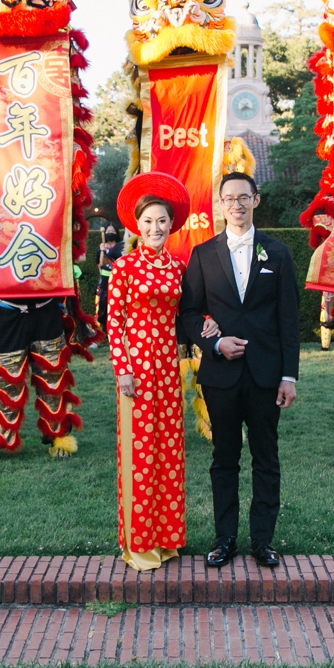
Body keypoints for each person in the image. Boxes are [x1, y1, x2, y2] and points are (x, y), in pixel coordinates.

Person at [179, 172, 299, 569]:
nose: (236, 204)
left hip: (267, 375)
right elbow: (189, 314)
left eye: (243, 197)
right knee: (224, 457)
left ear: (256, 200)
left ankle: (262, 540)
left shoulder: (277, 254)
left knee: (266, 457)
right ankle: (225, 538)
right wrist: (214, 342)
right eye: (229, 198)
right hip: (220, 375)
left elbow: (288, 319)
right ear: (220, 203)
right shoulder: (203, 254)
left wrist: (289, 376)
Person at [106, 172, 217, 571]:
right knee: (139, 456)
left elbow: (190, 312)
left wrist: (209, 323)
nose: (155, 228)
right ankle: (139, 544)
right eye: (148, 221)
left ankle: (167, 538)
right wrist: (123, 370)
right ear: (137, 225)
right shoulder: (124, 268)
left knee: (168, 452)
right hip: (136, 369)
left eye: (162, 221)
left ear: (172, 225)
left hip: (168, 368)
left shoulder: (178, 267)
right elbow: (113, 323)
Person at [97, 226, 123, 329]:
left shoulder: (121, 246)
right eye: (108, 231)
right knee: (103, 304)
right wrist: (102, 251)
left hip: (118, 280)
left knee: (117, 304)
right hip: (105, 280)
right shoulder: (101, 247)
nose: (110, 233)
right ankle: (103, 328)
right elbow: (101, 264)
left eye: (112, 231)